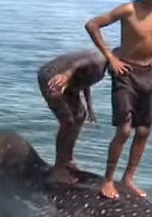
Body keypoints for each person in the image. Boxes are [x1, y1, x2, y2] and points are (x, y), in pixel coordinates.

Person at [85, 0, 152, 199]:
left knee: (143, 130)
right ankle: (108, 180)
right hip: (125, 73)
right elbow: (92, 25)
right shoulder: (129, 10)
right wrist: (111, 58)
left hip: (147, 74)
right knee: (123, 130)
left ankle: (128, 179)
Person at [37, 49, 111, 183]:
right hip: (52, 77)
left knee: (80, 116)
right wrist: (66, 75)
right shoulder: (98, 61)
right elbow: (78, 64)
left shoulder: (100, 70)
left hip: (70, 83)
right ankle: (59, 168)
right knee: (67, 123)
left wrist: (90, 108)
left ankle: (67, 159)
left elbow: (85, 81)